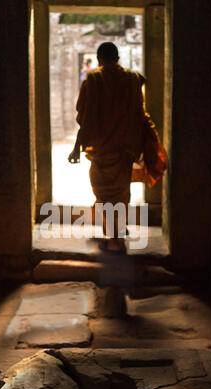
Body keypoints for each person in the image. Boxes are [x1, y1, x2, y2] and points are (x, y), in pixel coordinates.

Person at [69, 42, 166, 253]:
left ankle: (114, 241)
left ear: (98, 59)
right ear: (118, 58)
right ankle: (117, 232)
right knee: (121, 193)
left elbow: (84, 116)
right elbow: (139, 114)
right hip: (125, 149)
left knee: (103, 193)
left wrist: (77, 146)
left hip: (101, 150)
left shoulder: (94, 79)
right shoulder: (132, 79)